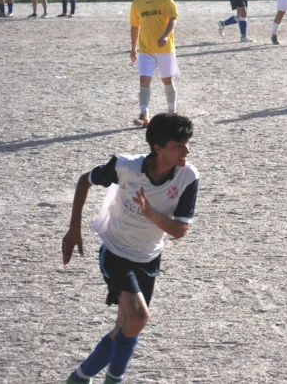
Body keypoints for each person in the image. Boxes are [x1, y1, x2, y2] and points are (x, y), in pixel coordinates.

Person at [62, 112, 199, 384]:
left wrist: (150, 214)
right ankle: (115, 379)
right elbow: (84, 180)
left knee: (125, 327)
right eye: (178, 145)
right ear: (158, 148)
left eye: (187, 143)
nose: (187, 150)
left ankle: (79, 378)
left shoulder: (189, 177)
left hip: (148, 258)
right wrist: (74, 228)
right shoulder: (125, 166)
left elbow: (179, 231)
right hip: (115, 252)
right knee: (138, 316)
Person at [130, 0, 181, 127]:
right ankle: (144, 114)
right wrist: (133, 48)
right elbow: (135, 26)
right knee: (144, 80)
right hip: (145, 49)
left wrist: (165, 35)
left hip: (164, 49)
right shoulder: (137, 3)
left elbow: (173, 19)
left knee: (167, 80)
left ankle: (172, 113)